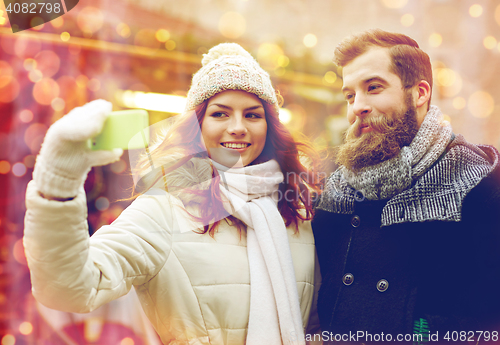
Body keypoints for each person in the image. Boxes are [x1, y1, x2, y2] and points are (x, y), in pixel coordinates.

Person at [24, 43, 322, 345]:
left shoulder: (300, 213)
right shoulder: (166, 209)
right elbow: (68, 288)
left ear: (269, 127)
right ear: (197, 127)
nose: (238, 127)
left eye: (252, 115)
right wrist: (58, 183)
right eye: (220, 114)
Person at [312, 29, 500, 343]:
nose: (357, 106)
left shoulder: (479, 181)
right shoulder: (335, 190)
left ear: (420, 93)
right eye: (350, 95)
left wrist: (421, 333)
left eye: (373, 87)